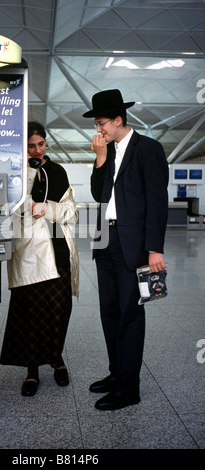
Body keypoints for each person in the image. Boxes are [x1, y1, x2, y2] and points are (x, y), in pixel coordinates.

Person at [82, 89, 169, 410]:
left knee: (130, 314)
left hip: (134, 244)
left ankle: (129, 389)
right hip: (106, 240)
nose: (98, 129)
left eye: (102, 122)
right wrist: (100, 158)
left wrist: (154, 249)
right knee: (109, 312)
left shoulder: (148, 149)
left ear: (119, 120)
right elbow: (97, 194)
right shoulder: (108, 151)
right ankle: (116, 374)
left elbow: (157, 202)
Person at [0, 121, 79, 397]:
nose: (37, 150)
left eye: (41, 144)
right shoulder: (15, 172)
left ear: (46, 143)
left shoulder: (58, 171)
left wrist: (48, 208)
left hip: (57, 250)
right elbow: (6, 210)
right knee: (30, 313)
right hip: (29, 253)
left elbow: (72, 212)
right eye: (31, 146)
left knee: (60, 309)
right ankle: (31, 370)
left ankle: (56, 360)